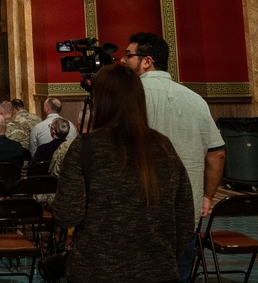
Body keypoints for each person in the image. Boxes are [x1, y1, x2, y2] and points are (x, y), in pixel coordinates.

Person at [52, 63, 193, 283]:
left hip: (95, 271)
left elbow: (66, 215)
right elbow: (184, 220)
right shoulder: (163, 146)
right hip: (157, 271)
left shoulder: (85, 148)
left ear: (99, 102)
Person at [126, 32, 226, 282]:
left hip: (138, 206)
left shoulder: (128, 97)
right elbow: (217, 154)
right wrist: (206, 196)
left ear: (146, 61)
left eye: (128, 56)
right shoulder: (196, 100)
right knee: (178, 272)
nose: (123, 61)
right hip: (186, 208)